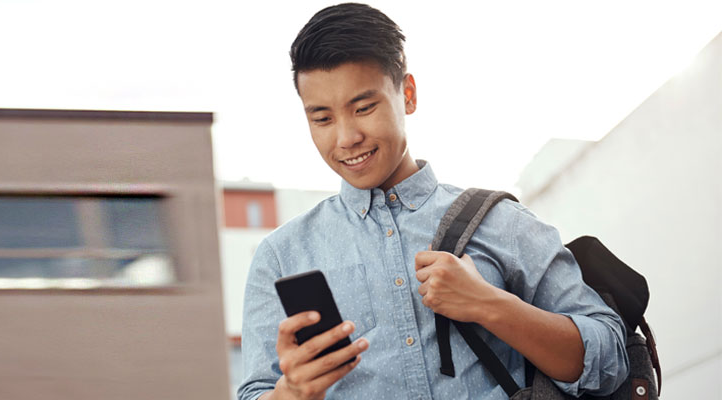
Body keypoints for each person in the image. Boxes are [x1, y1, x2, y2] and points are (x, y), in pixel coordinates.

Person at [237, 3, 629, 399]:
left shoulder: (502, 222)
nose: (346, 137)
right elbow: (255, 391)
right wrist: (290, 392)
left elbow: (610, 358)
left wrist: (489, 304)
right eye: (322, 119)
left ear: (407, 94)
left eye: (364, 107)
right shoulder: (281, 257)